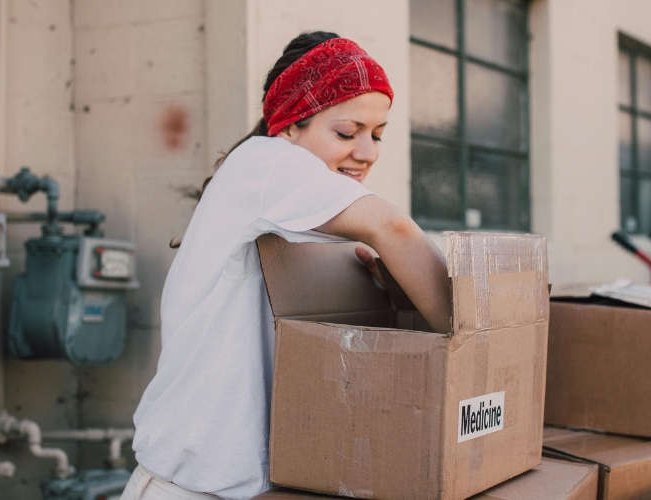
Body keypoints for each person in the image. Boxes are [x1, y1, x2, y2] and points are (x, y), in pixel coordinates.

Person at [121, 32, 452, 500]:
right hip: (188, 488)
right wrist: (478, 354)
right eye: (347, 132)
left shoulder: (313, 213)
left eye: (377, 135)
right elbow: (395, 229)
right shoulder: (266, 161)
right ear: (290, 125)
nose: (368, 152)